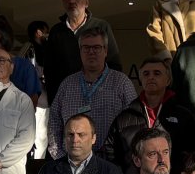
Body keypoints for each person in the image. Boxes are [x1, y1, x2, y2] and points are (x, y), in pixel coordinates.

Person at [46, 26, 137, 159]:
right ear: (80, 51)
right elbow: (54, 122)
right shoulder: (67, 84)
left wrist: (125, 160)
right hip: (72, 163)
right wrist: (60, 157)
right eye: (86, 48)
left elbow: (134, 124)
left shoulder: (121, 83)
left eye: (96, 47)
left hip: (112, 162)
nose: (91, 52)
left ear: (105, 51)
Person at [105, 56, 195, 174]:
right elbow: (110, 151)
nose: (151, 77)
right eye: (146, 74)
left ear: (168, 80)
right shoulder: (125, 117)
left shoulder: (183, 116)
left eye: (157, 73)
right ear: (140, 79)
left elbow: (194, 154)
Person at [40, 0, 122, 101]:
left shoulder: (101, 27)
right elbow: (50, 70)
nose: (71, 1)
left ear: (86, 2)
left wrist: (108, 93)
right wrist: (54, 100)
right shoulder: (56, 31)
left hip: (99, 97)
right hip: (66, 98)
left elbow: (114, 63)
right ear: (63, 2)